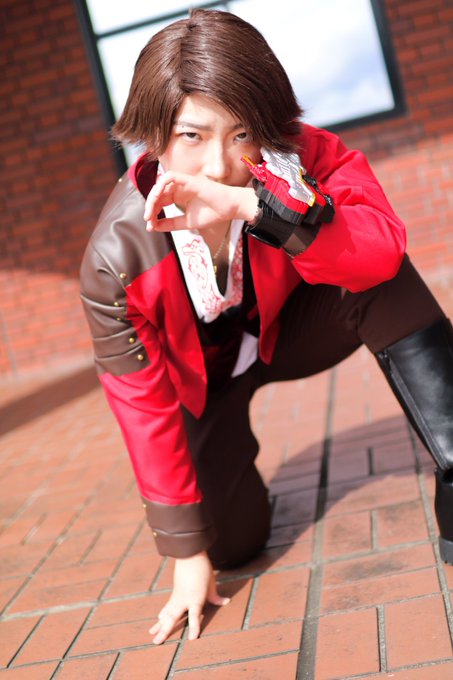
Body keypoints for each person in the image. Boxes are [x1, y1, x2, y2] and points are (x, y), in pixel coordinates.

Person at [80, 9, 453, 646]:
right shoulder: (114, 260)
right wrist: (186, 554)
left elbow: (380, 250)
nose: (220, 164)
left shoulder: (300, 158)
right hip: (206, 388)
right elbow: (142, 407)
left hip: (290, 333)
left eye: (242, 133)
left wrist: (259, 207)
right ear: (153, 133)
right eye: (192, 135)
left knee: (373, 263)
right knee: (235, 544)